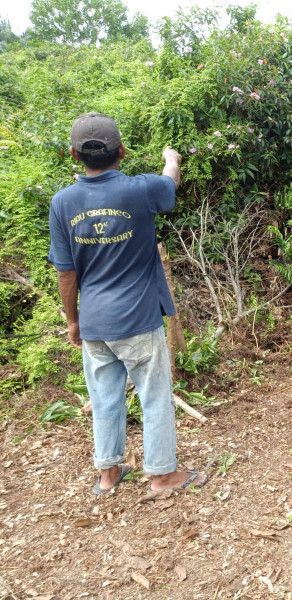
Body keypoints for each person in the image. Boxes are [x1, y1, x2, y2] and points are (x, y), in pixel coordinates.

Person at [48, 112, 207, 494]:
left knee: (104, 400)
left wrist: (73, 321)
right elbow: (170, 185)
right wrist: (172, 159)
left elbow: (65, 273)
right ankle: (162, 476)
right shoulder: (141, 189)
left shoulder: (62, 202)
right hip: (137, 319)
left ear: (73, 154)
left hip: (95, 323)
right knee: (154, 398)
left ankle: (108, 473)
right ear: (122, 150)